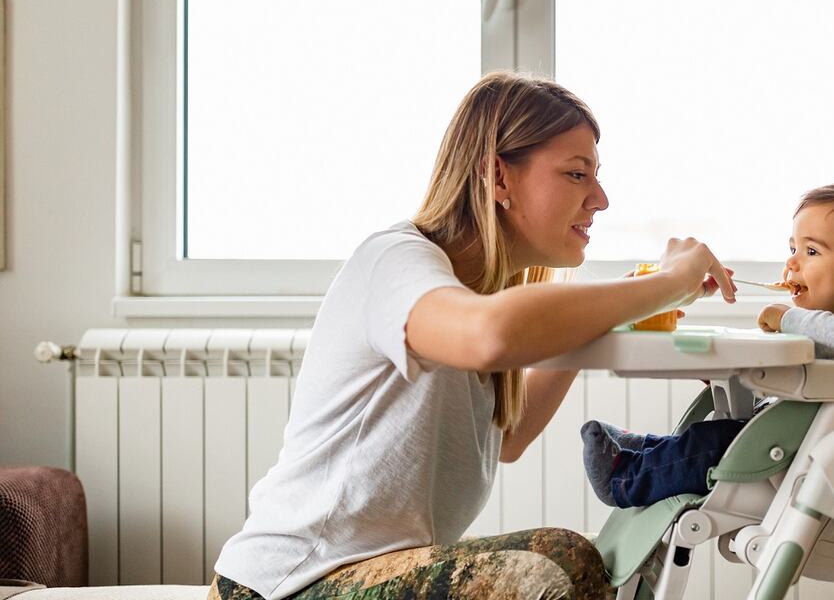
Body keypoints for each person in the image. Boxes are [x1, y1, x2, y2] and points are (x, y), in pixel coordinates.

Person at [208, 72, 736, 600]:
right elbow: (491, 334)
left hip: (365, 573)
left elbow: (509, 436)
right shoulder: (396, 261)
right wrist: (669, 283)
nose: (600, 198)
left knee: (613, 558)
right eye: (577, 175)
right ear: (498, 178)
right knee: (558, 564)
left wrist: (610, 311)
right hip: (284, 585)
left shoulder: (479, 291)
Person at [581, 182, 834, 509]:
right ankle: (642, 449)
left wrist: (786, 318)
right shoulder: (826, 326)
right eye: (793, 248)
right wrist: (743, 375)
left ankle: (626, 479)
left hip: (802, 454)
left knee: (714, 445)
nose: (792, 262)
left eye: (811, 251)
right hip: (782, 437)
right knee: (706, 438)